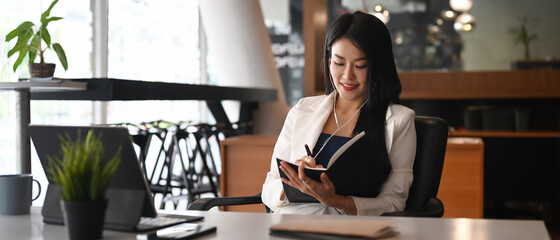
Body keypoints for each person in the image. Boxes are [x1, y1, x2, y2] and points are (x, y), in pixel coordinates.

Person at [261, 11, 417, 216]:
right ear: (328, 61)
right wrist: (294, 184)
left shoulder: (399, 121)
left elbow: (394, 202)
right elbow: (269, 186)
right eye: (339, 63)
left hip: (348, 230)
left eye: (360, 65)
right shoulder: (302, 110)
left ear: (378, 67)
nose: (347, 76)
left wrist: (336, 201)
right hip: (290, 223)